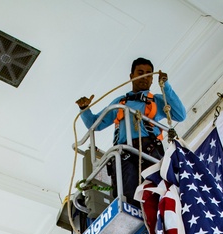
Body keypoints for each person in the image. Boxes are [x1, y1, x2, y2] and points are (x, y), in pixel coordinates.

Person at [76, 57, 186, 207]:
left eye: (148, 74)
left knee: (156, 193)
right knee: (129, 196)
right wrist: (84, 109)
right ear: (131, 76)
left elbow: (180, 115)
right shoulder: (120, 102)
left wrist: (166, 86)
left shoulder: (157, 101)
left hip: (150, 150)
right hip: (125, 155)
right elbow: (95, 124)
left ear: (152, 79)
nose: (145, 77)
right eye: (140, 72)